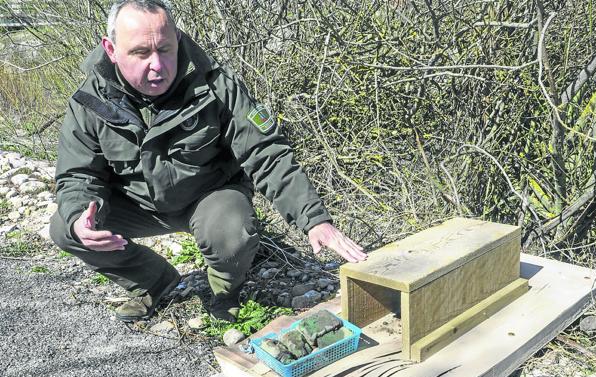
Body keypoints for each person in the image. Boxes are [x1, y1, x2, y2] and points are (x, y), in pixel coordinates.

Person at [50, 0, 367, 323]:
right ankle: (155, 281)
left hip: (207, 197)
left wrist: (313, 219)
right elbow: (77, 174)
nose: (157, 64)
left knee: (233, 229)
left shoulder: (215, 84)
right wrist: (81, 216)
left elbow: (265, 151)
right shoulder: (89, 100)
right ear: (111, 48)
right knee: (66, 228)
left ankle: (224, 293)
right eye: (141, 53)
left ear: (178, 39)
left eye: (165, 49)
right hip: (138, 205)